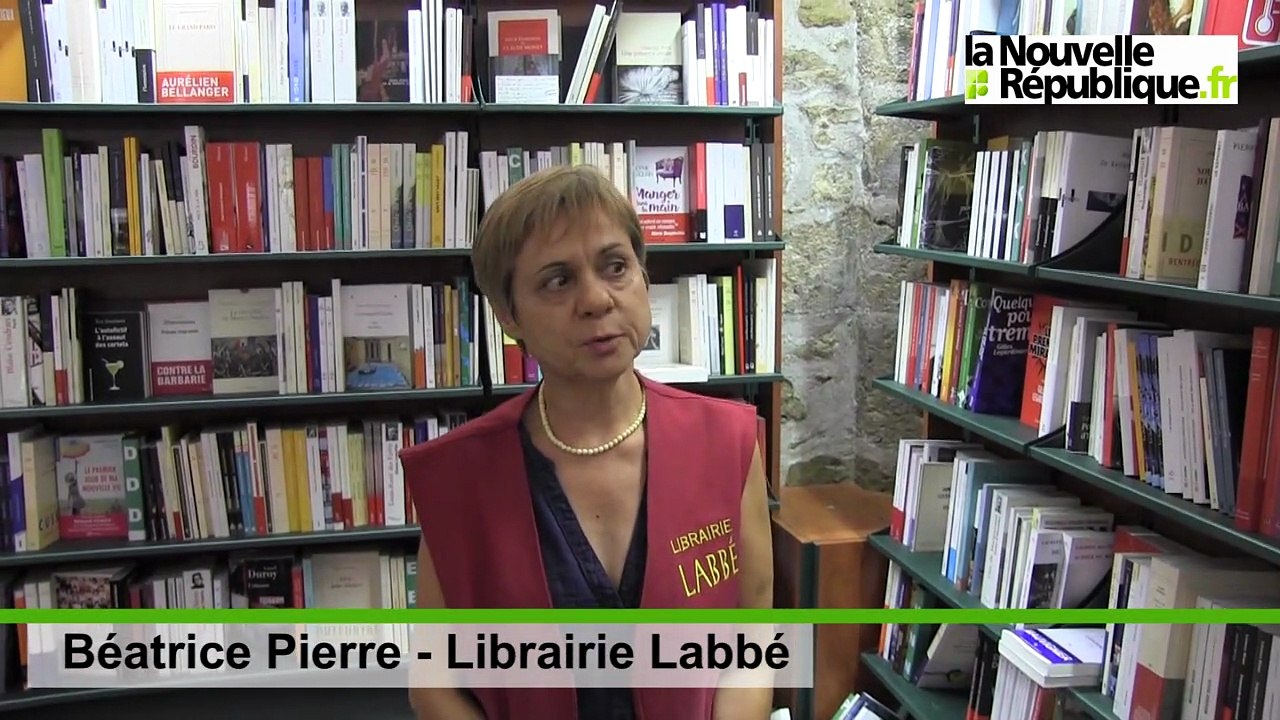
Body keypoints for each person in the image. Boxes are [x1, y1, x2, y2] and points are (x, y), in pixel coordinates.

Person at [399, 164, 774, 720]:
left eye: (615, 267)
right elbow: (434, 681)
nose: (597, 300)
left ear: (644, 278)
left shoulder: (728, 441)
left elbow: (752, 631)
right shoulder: (459, 477)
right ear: (509, 317)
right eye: (558, 280)